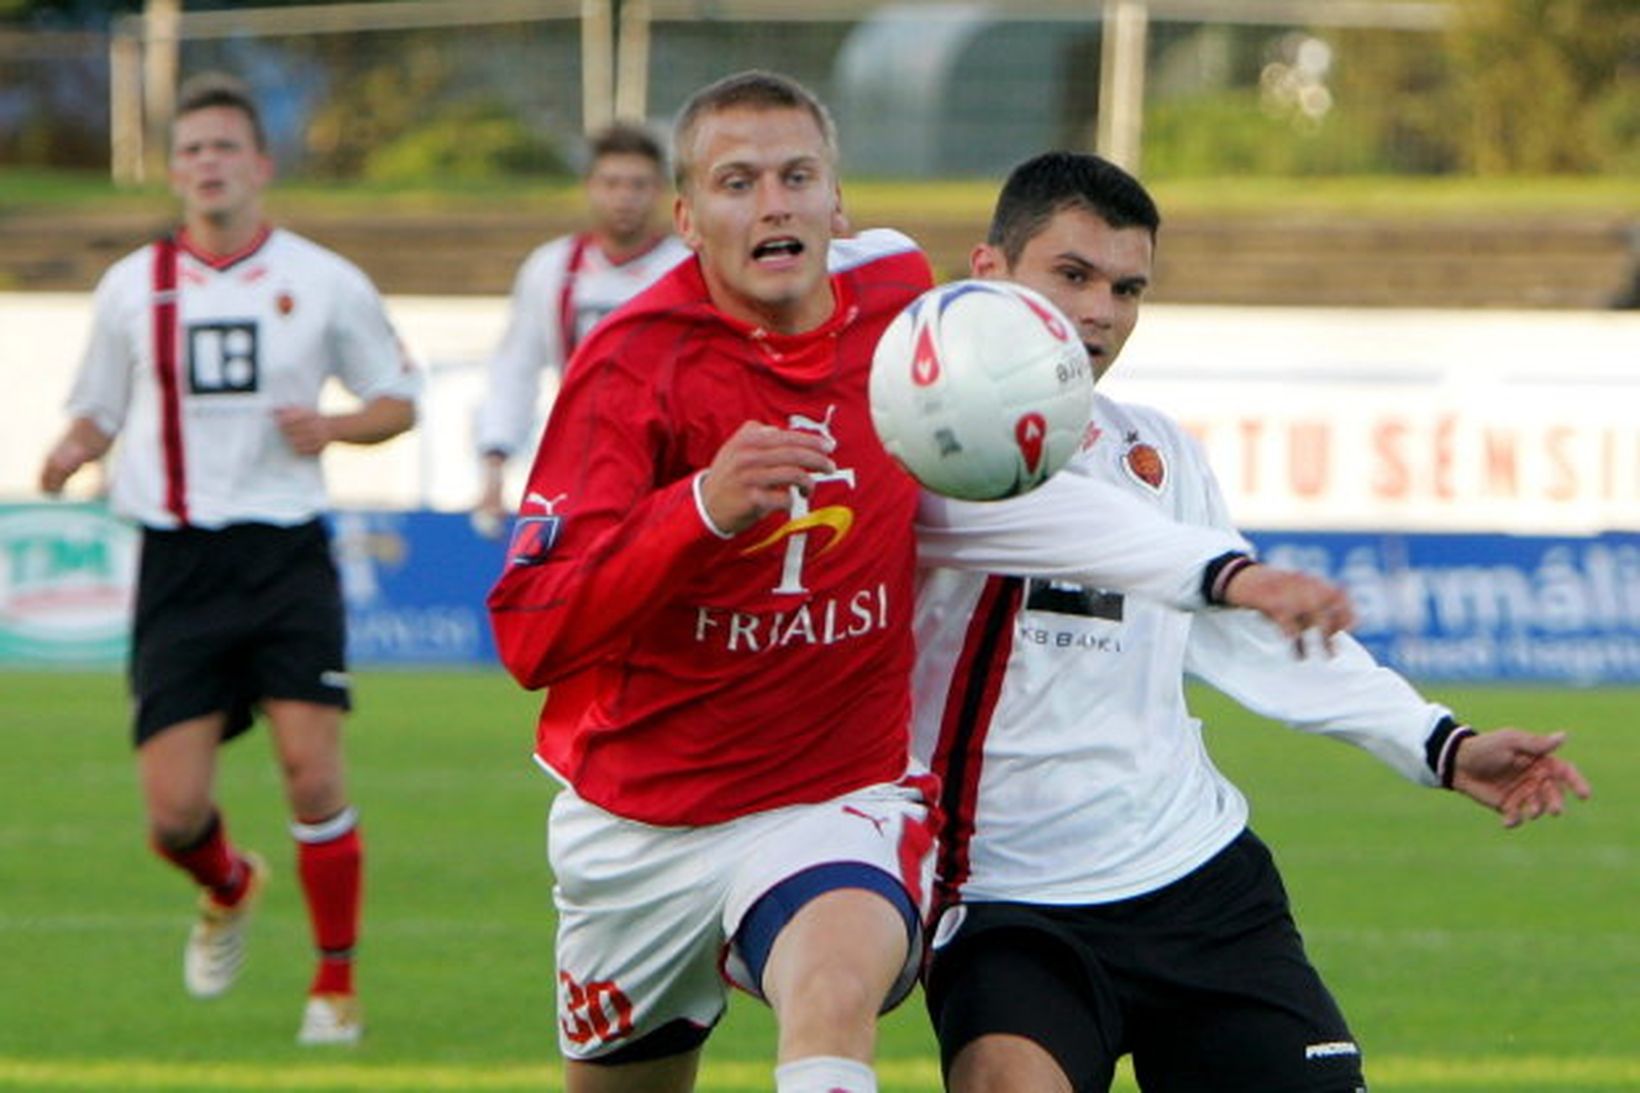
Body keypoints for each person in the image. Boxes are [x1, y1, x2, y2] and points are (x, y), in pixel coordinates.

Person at [486, 70, 1356, 1093]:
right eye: (736, 182)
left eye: (796, 175)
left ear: (837, 202)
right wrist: (698, 508)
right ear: (685, 217)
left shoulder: (905, 310)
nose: (772, 202)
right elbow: (530, 635)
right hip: (636, 820)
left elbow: (1021, 506)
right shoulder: (630, 365)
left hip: (829, 796)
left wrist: (1218, 573)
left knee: (833, 989)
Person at [911, 151, 1594, 1093]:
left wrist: (1440, 742)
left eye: (1127, 287)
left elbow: (1251, 636)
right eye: (1072, 275)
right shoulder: (918, 452)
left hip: (1195, 875)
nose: (1101, 311)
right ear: (989, 273)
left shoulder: (1153, 450)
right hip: (1006, 900)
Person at [38, 72, 419, 1047]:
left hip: (285, 554)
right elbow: (99, 405)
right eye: (192, 150)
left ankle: (334, 984)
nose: (208, 164)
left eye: (225, 148)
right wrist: (77, 444)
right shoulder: (133, 286)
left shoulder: (324, 278)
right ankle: (230, 882)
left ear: (261, 165)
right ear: (173, 172)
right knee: (173, 814)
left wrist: (332, 423)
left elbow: (396, 400)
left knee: (310, 770)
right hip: (177, 565)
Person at [471, 120, 690, 533]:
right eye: (612, 184)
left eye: (638, 185)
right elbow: (516, 367)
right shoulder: (550, 267)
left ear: (661, 191)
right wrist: (495, 462)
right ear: (589, 187)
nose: (624, 198)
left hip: (670, 464)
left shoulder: (689, 267)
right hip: (581, 464)